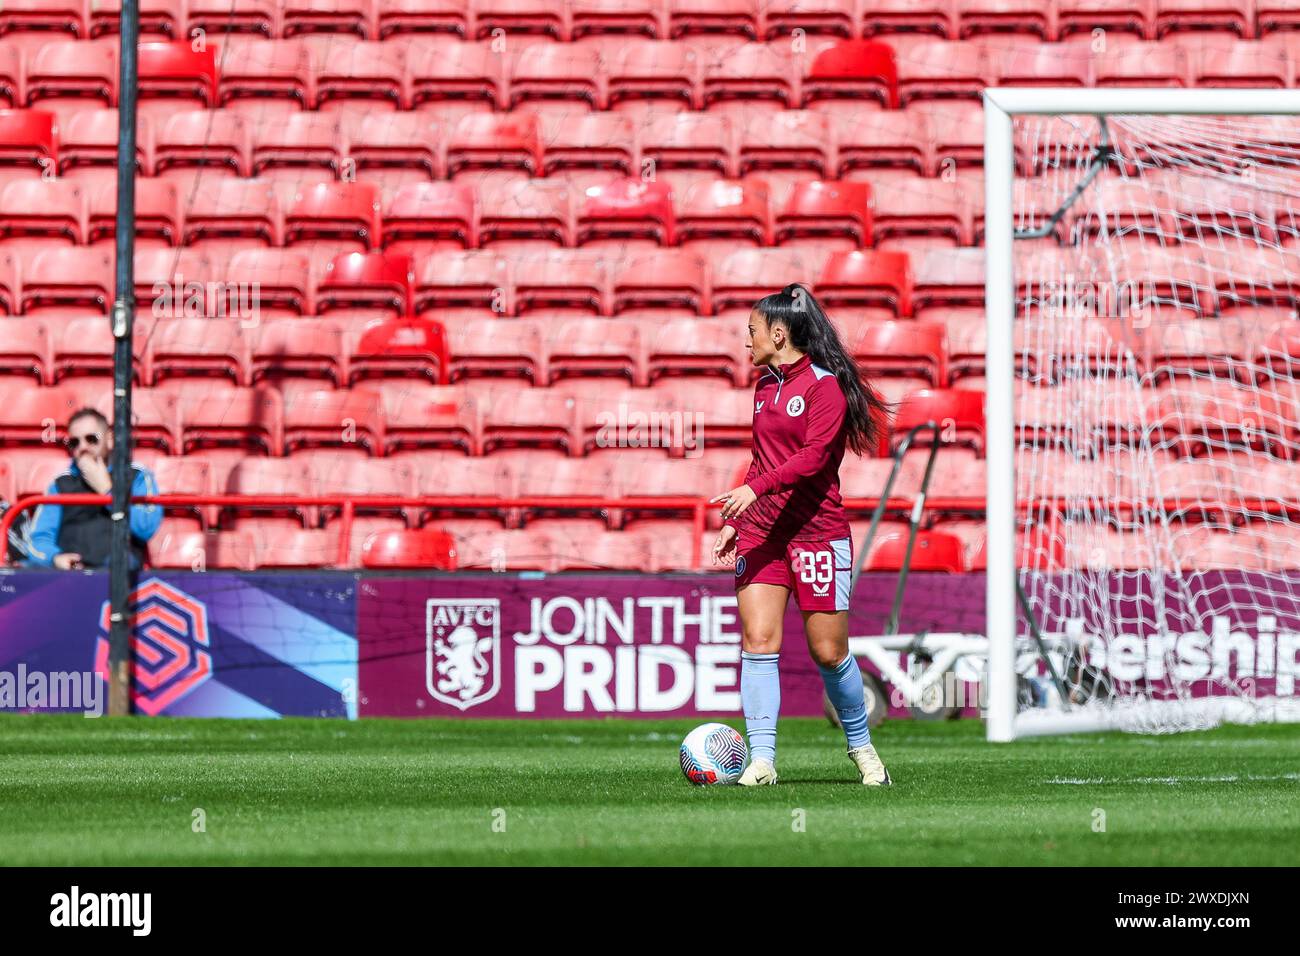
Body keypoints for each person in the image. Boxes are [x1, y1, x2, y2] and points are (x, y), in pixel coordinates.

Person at [710, 284, 894, 786]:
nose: (746, 341)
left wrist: (757, 489)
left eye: (751, 332)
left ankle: (862, 748)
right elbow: (762, 461)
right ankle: (762, 761)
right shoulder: (763, 388)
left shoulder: (824, 387)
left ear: (778, 332)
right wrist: (735, 519)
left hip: (817, 533)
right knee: (758, 640)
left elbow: (813, 460)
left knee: (829, 653)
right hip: (763, 533)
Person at [25, 408, 162, 571]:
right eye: (75, 442)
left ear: (110, 439)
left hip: (119, 578)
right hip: (71, 577)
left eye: (91, 439)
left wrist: (106, 490)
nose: (83, 447)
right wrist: (55, 558)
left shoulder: (136, 475)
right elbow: (38, 540)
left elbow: (146, 526)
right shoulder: (60, 484)